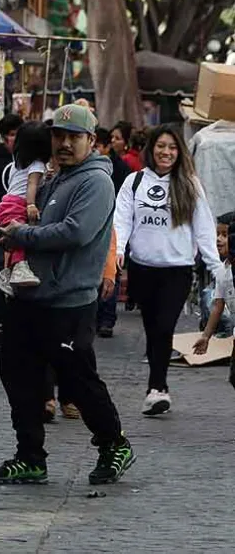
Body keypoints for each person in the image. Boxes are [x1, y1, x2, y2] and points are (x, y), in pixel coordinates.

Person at [0, 104, 134, 486]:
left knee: (77, 381)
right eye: (59, 136)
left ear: (91, 140)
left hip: (68, 303)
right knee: (18, 375)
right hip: (29, 297)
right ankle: (30, 457)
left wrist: (20, 234)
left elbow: (74, 233)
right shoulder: (53, 177)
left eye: (74, 137)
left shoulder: (96, 182)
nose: (65, 144)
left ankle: (114, 444)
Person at [114, 126, 224, 416]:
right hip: (142, 269)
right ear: (151, 149)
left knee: (164, 327)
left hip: (177, 271)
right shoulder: (134, 182)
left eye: (173, 147)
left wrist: (216, 268)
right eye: (161, 146)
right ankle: (156, 384)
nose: (166, 152)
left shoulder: (189, 184)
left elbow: (204, 229)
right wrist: (118, 251)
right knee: (153, 330)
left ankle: (158, 389)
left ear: (180, 152)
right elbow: (122, 220)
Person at [0, 123, 51, 294]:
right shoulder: (37, 165)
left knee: (13, 240)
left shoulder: (17, 165)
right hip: (17, 205)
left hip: (5, 205)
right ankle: (18, 269)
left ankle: (6, 274)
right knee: (20, 239)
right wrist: (31, 204)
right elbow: (31, 185)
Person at [96, 126, 131, 338]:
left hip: (113, 223)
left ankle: (107, 318)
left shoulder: (120, 168)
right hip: (96, 222)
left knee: (112, 271)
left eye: (99, 145)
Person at [193, 211, 232, 362]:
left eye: (225, 235)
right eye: (217, 234)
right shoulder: (223, 270)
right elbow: (218, 306)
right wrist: (205, 336)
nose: (218, 239)